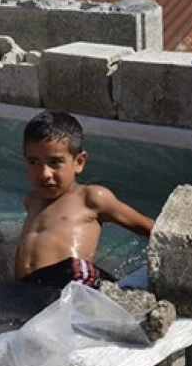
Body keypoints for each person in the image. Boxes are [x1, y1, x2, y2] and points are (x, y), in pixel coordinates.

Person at [15, 110, 155, 289]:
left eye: (55, 162)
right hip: (26, 290)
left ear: (79, 162)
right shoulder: (32, 200)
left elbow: (149, 228)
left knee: (77, 268)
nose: (44, 173)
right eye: (33, 162)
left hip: (69, 286)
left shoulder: (91, 198)